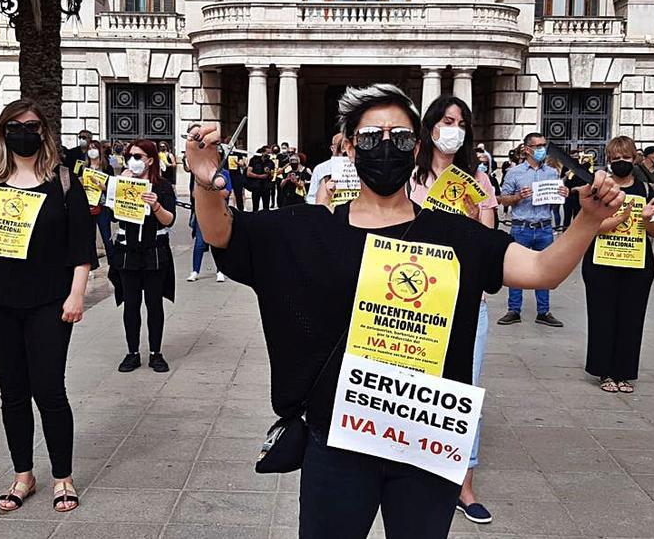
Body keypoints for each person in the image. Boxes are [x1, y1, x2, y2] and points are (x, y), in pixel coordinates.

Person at [185, 83, 625, 539]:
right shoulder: (304, 229)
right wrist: (204, 181)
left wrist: (586, 220)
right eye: (372, 137)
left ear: (416, 146)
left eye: (399, 137)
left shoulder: (454, 235)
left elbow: (540, 270)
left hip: (425, 443)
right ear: (351, 147)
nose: (386, 147)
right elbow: (223, 234)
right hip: (338, 441)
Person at [0, 99, 96, 514]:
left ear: (43, 131)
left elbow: (82, 247)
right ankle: (23, 475)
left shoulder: (64, 181)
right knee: (12, 393)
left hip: (50, 300)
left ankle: (63, 477)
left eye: (31, 125)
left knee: (49, 390)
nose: (23, 132)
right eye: (14, 125)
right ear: (2, 132)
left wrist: (77, 293)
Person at [406, 95, 498, 525]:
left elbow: (490, 243)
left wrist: (470, 215)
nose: (453, 128)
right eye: (446, 120)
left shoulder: (477, 180)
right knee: (413, 384)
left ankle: (464, 482)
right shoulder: (409, 177)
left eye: (461, 121)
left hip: (466, 299)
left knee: (466, 390)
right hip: (417, 297)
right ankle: (412, 463)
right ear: (430, 126)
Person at [583, 136, 654, 394]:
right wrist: (623, 217)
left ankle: (624, 372)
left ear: (635, 158)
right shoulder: (600, 189)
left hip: (637, 262)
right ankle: (604, 371)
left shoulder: (648, 189)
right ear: (609, 160)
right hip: (602, 261)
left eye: (625, 158)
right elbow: (590, 226)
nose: (620, 163)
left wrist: (646, 218)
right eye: (615, 159)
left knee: (632, 317)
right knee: (602, 316)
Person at [110, 139, 177, 373]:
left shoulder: (163, 186)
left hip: (154, 252)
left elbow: (170, 220)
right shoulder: (122, 184)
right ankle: (132, 352)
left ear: (150, 160)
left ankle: (156, 353)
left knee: (154, 304)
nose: (133, 161)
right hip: (127, 252)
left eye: (138, 157)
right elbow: (112, 216)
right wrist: (119, 186)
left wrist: (156, 205)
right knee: (131, 305)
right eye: (130, 156)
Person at [496, 133, 567, 327]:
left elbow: (554, 200)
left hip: (544, 227)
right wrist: (518, 197)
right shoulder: (515, 173)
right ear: (527, 149)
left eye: (544, 145)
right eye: (538, 146)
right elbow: (502, 198)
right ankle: (513, 310)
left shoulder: (552, 173)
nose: (542, 150)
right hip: (521, 227)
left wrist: (563, 194)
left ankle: (543, 311)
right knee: (516, 270)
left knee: (545, 269)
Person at [188, 169, 232, 283]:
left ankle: (220, 270)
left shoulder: (225, 174)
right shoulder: (200, 174)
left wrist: (207, 192)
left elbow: (226, 193)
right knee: (199, 243)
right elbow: (194, 193)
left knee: (218, 243)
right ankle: (195, 271)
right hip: (202, 212)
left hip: (218, 213)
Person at [78, 140, 116, 259]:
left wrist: (99, 184)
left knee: (106, 236)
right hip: (87, 205)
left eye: (94, 148)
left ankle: (113, 263)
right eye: (89, 148)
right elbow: (75, 183)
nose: (92, 151)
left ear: (99, 150)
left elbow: (110, 188)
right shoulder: (82, 166)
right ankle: (92, 263)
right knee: (89, 238)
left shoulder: (107, 167)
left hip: (102, 205)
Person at [306, 134, 349, 205]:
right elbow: (311, 198)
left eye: (346, 146)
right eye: (340, 146)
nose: (343, 150)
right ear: (332, 148)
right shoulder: (321, 169)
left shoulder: (358, 168)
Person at [246, 145, 275, 211]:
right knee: (255, 207)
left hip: (266, 187)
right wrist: (259, 176)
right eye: (267, 153)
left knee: (266, 207)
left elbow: (272, 176)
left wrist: (268, 173)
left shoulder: (271, 163)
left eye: (270, 153)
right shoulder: (254, 160)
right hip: (256, 186)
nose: (269, 155)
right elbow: (248, 173)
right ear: (262, 152)